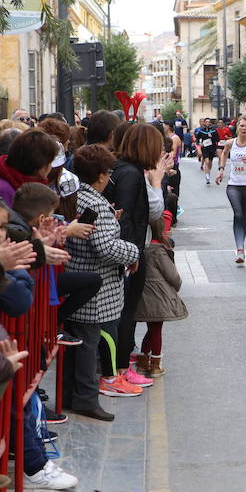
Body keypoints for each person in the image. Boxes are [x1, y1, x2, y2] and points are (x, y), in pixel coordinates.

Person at [65, 144, 141, 419]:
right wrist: (133, 252)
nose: (110, 178)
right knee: (87, 344)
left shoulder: (78, 196)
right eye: (108, 173)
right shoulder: (96, 202)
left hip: (82, 278)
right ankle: (85, 399)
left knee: (79, 344)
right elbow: (105, 247)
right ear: (100, 175)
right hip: (97, 285)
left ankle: (73, 396)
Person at [104, 124, 161, 385]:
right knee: (125, 312)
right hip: (128, 254)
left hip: (128, 252)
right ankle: (119, 369)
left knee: (124, 311)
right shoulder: (130, 174)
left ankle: (120, 366)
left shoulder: (124, 169)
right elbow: (125, 218)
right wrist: (132, 254)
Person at [135, 217, 188, 378]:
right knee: (156, 330)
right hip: (158, 295)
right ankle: (156, 365)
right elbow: (173, 276)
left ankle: (144, 361)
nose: (169, 231)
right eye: (167, 229)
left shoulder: (144, 247)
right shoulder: (158, 250)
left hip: (146, 293)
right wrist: (176, 288)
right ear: (160, 231)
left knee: (152, 329)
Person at [216, 115, 246, 264]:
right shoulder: (231, 143)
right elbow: (224, 154)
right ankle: (240, 249)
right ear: (237, 127)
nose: (243, 128)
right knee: (238, 213)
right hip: (234, 185)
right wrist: (221, 170)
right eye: (241, 126)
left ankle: (241, 244)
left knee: (244, 217)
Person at [0, 128, 59, 207]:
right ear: (40, 165)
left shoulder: (30, 185)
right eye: (50, 162)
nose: (51, 167)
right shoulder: (2, 190)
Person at [196, 118, 219, 184]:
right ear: (204, 123)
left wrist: (212, 137)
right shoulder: (201, 131)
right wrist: (200, 143)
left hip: (212, 148)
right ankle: (207, 176)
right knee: (207, 161)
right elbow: (197, 139)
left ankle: (208, 172)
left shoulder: (214, 131)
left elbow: (218, 139)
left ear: (210, 123)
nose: (207, 123)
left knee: (210, 162)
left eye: (209, 122)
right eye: (206, 122)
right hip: (205, 148)